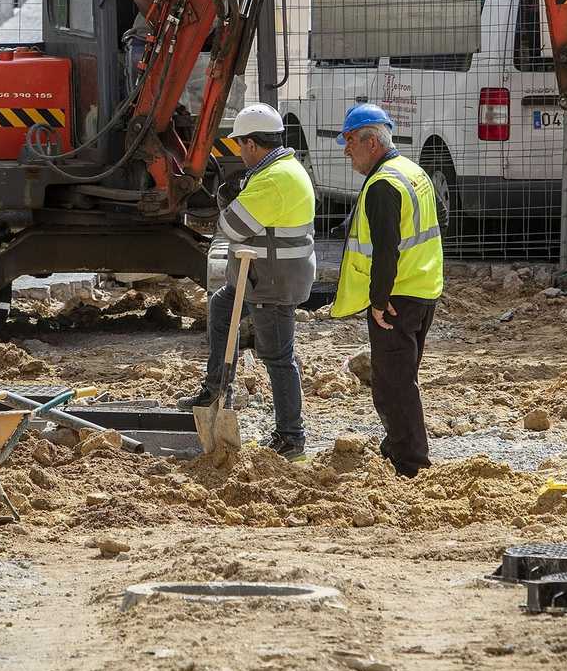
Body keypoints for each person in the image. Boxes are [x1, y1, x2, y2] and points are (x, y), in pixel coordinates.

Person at [178, 102, 316, 461]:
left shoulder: (273, 179)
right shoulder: (281, 169)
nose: (240, 150)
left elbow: (231, 227)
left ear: (253, 144)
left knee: (278, 357)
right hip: (260, 275)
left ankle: (291, 437)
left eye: (241, 144)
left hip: (272, 280)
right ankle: (215, 390)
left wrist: (227, 203)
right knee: (221, 307)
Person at [331, 104, 443, 478]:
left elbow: (385, 250)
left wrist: (378, 301)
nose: (346, 150)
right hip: (423, 289)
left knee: (393, 387)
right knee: (401, 377)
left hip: (397, 299)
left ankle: (412, 465)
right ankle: (396, 446)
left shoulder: (382, 185)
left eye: (350, 141)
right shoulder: (411, 171)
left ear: (373, 143)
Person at [131, 0, 254, 112]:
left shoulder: (224, 1)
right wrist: (166, 32)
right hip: (144, 45)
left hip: (180, 54)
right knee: (142, 104)